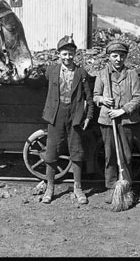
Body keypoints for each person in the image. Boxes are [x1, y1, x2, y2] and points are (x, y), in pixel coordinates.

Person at [41, 34, 94, 204]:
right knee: (52, 151)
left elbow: (89, 97)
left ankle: (78, 188)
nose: (67, 57)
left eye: (71, 53)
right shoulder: (52, 70)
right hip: (56, 114)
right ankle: (50, 188)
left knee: (76, 151)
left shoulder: (81, 72)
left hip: (75, 115)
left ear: (75, 54)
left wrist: (88, 116)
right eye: (64, 53)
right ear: (59, 54)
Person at [93, 40, 140, 204]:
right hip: (108, 121)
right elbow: (94, 96)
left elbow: (139, 97)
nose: (118, 59)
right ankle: (111, 188)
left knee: (126, 155)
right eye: (115, 56)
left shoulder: (132, 74)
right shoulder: (102, 74)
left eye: (122, 56)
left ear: (125, 57)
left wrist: (122, 110)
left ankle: (126, 188)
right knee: (110, 155)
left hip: (126, 120)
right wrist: (102, 99)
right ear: (109, 57)